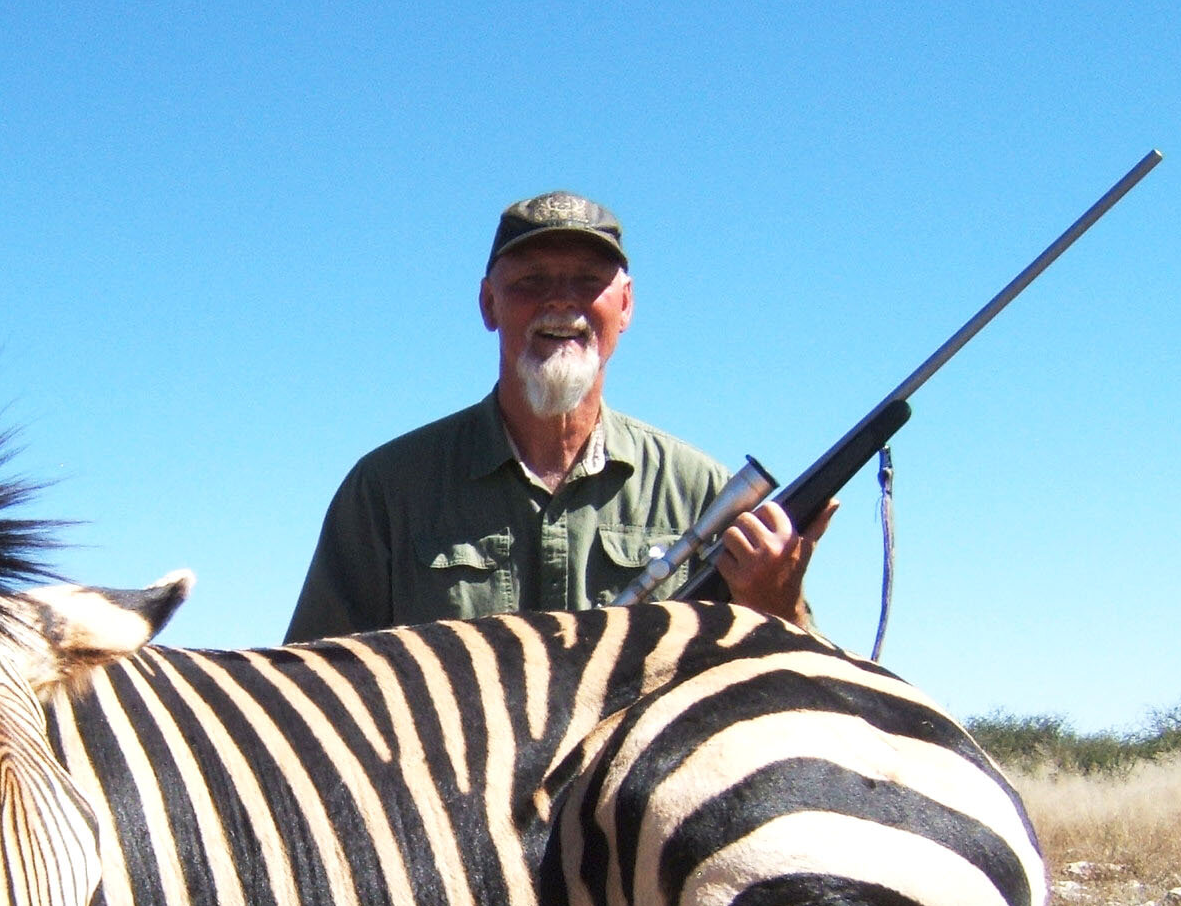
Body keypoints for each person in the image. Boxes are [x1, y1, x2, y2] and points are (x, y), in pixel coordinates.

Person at [284, 191, 831, 641]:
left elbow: (791, 690)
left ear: (627, 305)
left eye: (588, 281)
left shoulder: (702, 492)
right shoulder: (386, 491)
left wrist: (778, 604)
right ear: (489, 304)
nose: (560, 302)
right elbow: (311, 688)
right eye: (530, 281)